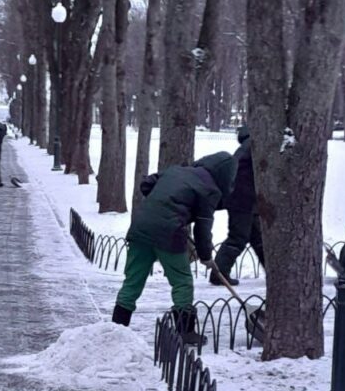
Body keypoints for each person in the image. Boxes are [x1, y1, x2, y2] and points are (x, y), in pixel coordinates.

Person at [112, 151, 238, 343]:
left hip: (140, 227)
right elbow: (203, 228)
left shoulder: (174, 171)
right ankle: (185, 331)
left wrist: (162, 204)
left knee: (133, 280)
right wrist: (206, 256)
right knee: (182, 281)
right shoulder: (210, 190)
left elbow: (146, 184)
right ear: (224, 176)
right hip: (168, 234)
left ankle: (116, 327)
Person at [211, 125, 265, 286]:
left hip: (244, 200)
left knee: (258, 238)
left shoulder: (245, 148)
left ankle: (275, 272)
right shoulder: (254, 146)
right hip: (243, 200)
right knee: (238, 237)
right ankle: (218, 274)